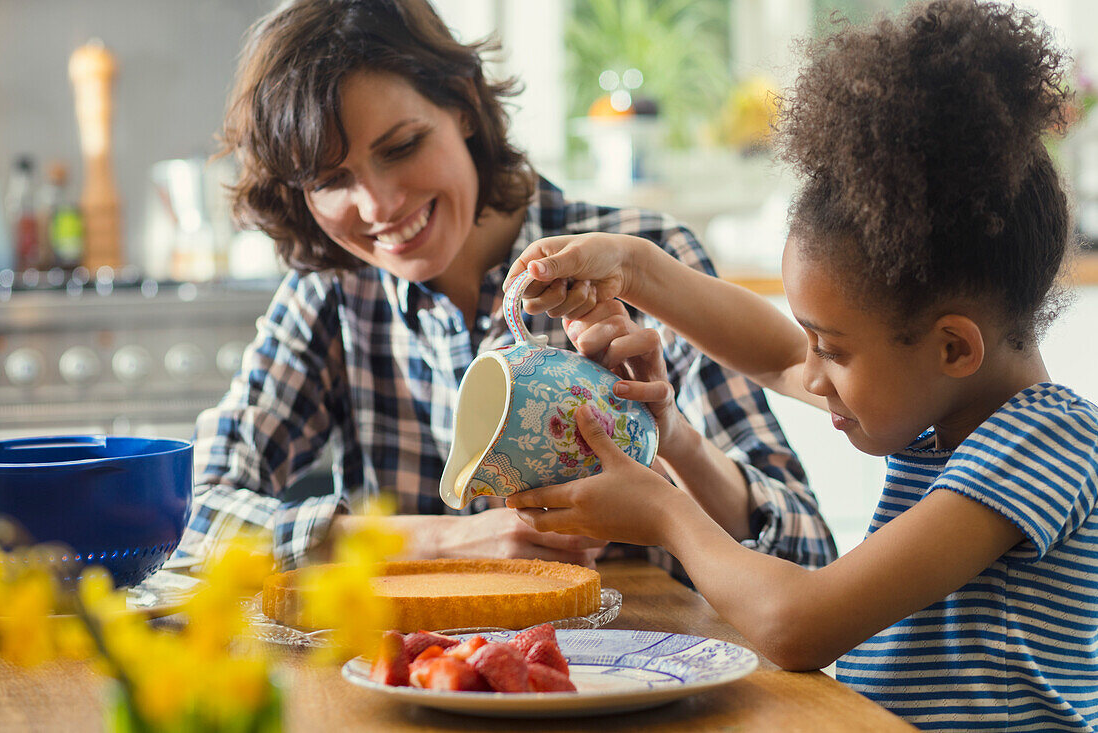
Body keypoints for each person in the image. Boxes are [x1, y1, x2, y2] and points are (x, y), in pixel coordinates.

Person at [504, 1, 1098, 729]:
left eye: (836, 349)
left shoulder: (1043, 446)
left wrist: (665, 513)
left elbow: (798, 623)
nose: (812, 375)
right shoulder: (935, 410)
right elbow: (779, 354)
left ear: (952, 347)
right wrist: (632, 265)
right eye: (818, 343)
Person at [174, 0, 836, 580]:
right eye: (330, 180)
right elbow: (192, 512)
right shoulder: (332, 293)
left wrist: (672, 443)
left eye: (402, 147)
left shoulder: (638, 267)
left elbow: (804, 557)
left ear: (462, 105)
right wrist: (440, 541)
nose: (378, 205)